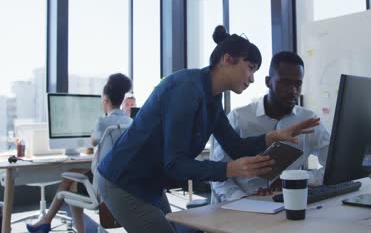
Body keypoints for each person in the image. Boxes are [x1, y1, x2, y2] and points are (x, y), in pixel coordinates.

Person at [96, 26, 320, 233]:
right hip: (122, 180)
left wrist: (273, 136)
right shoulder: (186, 88)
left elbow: (235, 146)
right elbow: (175, 163)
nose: (252, 79)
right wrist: (229, 169)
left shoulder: (213, 99)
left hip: (149, 183)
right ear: (227, 59)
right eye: (250, 68)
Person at [211, 51, 330, 202]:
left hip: (289, 202)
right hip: (243, 205)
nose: (293, 91)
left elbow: (333, 166)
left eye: (297, 84)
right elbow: (218, 176)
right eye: (285, 83)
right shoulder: (240, 118)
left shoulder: (308, 119)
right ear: (268, 82)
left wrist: (300, 178)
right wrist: (242, 200)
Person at [27, 73, 133, 233]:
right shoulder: (130, 122)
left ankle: (47, 221)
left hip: (102, 186)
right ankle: (50, 222)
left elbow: (93, 141)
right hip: (122, 181)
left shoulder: (103, 122)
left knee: (68, 179)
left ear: (105, 100)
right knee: (71, 176)